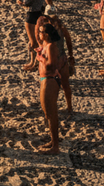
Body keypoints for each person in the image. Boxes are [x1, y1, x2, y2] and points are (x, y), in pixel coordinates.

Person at [35, 22, 62, 155]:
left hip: (50, 80)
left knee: (51, 114)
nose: (39, 34)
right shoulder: (45, 45)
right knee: (47, 113)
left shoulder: (51, 46)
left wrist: (40, 58)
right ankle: (53, 141)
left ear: (46, 34)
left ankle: (55, 146)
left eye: (41, 32)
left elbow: (51, 65)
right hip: (45, 79)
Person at [19, 0, 46, 70]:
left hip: (31, 16)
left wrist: (20, 2)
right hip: (39, 14)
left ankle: (33, 62)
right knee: (37, 40)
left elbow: (26, 2)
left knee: (32, 42)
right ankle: (33, 62)